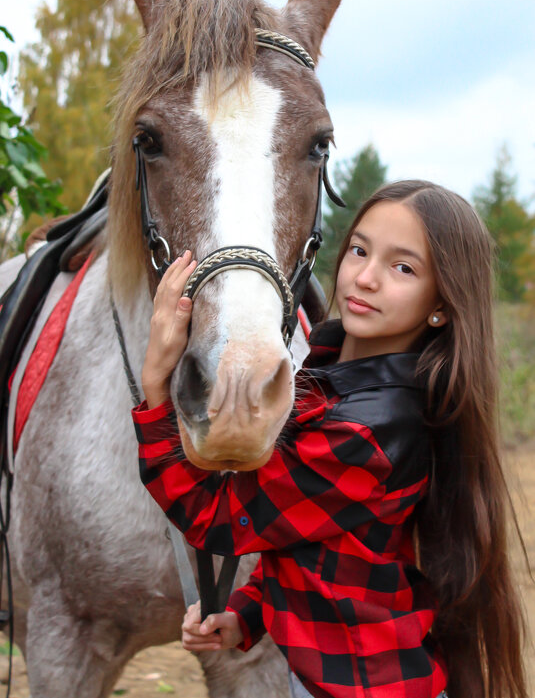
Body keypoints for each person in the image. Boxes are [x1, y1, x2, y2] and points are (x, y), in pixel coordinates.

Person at [133, 180, 527, 698]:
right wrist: (245, 616)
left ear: (441, 305)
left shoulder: (367, 430)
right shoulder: (330, 377)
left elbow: (221, 519)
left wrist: (157, 386)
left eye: (402, 268)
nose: (364, 278)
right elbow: (314, 542)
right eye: (360, 250)